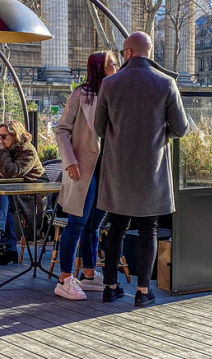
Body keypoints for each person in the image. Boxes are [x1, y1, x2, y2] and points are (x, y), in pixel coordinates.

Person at [94, 31, 188, 307]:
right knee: (149, 228)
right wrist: (159, 133)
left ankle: (110, 287)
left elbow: (99, 128)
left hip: (118, 170)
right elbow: (181, 128)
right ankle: (143, 291)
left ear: (127, 52)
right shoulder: (166, 82)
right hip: (152, 169)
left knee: (116, 227)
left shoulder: (109, 83)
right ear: (150, 52)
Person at [52, 51, 118, 300]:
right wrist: (70, 161)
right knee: (77, 223)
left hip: (106, 168)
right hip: (82, 167)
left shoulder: (114, 94)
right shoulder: (80, 95)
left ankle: (89, 275)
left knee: (94, 225)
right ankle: (65, 279)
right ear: (99, 68)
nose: (116, 66)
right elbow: (61, 130)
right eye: (111, 63)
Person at [0, 120, 46, 266]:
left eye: (4, 136)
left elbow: (11, 172)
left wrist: (1, 152)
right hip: (13, 193)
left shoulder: (28, 151)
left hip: (32, 193)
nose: (0, 140)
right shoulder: (8, 150)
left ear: (15, 135)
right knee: (2, 195)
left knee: (2, 195)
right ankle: (6, 244)